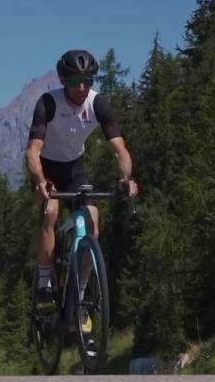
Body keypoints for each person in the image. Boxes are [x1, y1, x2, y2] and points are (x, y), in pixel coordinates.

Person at [26, 49, 138, 316]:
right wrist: (40, 181)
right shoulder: (48, 103)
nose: (83, 87)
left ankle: (80, 295)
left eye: (88, 81)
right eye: (76, 81)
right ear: (64, 79)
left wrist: (126, 179)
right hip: (48, 169)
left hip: (75, 169)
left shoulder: (98, 104)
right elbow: (32, 151)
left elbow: (120, 150)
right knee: (51, 212)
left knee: (92, 222)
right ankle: (45, 282)